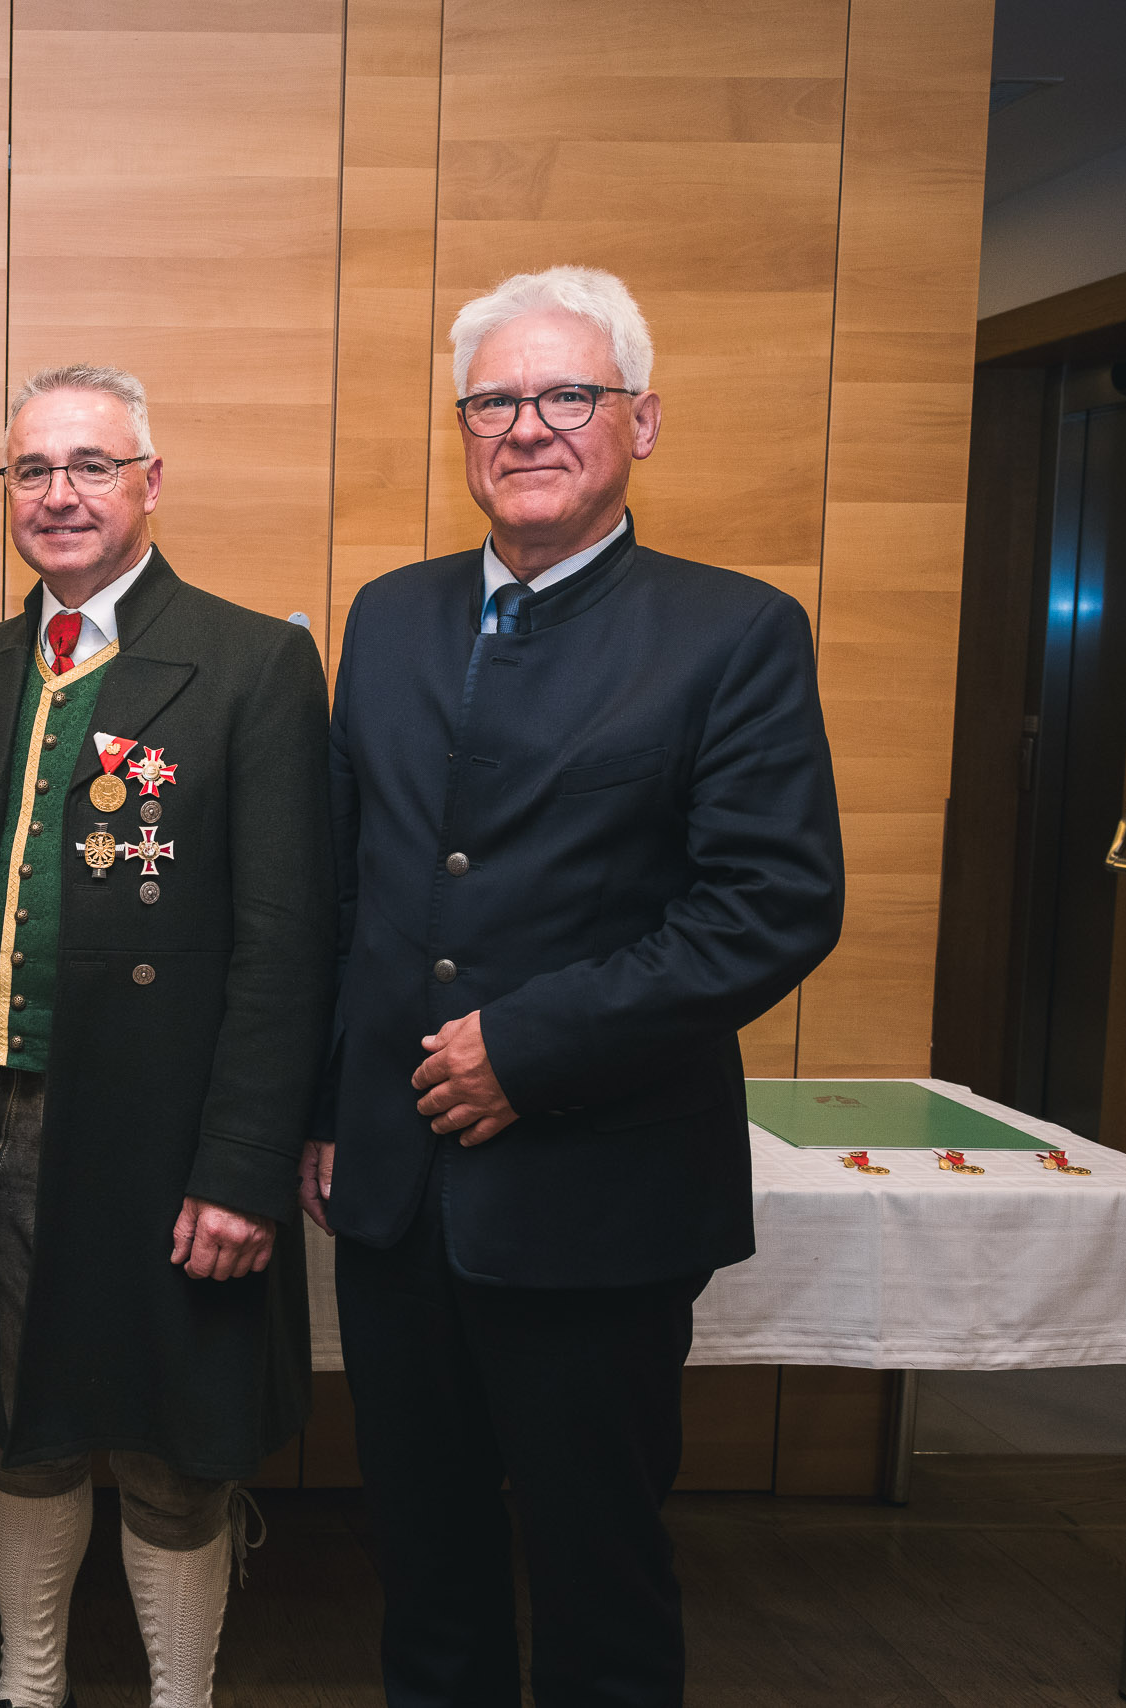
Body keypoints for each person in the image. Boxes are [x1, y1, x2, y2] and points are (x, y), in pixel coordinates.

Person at [307, 265, 844, 1707]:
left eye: (567, 396)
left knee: (600, 1584)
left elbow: (773, 906)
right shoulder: (391, 616)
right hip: (395, 1197)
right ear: (463, 429)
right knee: (423, 1577)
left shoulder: (732, 631)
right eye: (493, 401)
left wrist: (527, 1049)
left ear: (641, 422)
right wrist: (325, 1107)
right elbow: (347, 889)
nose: (527, 427)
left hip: (597, 1194)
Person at [0, 364, 335, 1708]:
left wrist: (244, 1167)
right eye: (33, 470)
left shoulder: (253, 663)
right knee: (18, 1422)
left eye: (91, 465)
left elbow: (286, 943)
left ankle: (180, 1693)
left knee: (173, 1443)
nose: (59, 495)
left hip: (169, 1135)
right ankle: (31, 1682)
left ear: (150, 482)